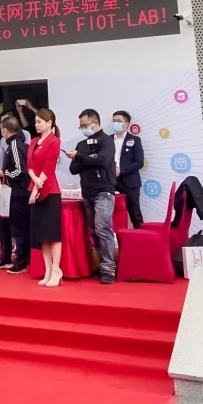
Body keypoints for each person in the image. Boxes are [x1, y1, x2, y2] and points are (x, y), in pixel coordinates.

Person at [66, 109, 117, 284]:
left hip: (104, 192)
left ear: (95, 123)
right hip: (87, 193)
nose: (83, 129)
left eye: (85, 125)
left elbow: (103, 161)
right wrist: (88, 158)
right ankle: (101, 265)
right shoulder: (81, 144)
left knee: (103, 229)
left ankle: (109, 269)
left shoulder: (106, 140)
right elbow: (73, 168)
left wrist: (81, 157)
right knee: (94, 231)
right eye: (80, 126)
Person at [0, 116, 31, 273]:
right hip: (7, 191)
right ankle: (5, 257)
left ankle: (21, 261)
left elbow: (20, 170)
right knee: (4, 225)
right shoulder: (11, 144)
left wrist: (3, 173)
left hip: (17, 193)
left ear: (5, 130)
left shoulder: (15, 144)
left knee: (18, 228)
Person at [28, 108, 63, 287]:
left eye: (39, 122)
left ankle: (56, 270)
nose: (36, 125)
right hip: (36, 188)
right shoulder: (34, 141)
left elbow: (49, 167)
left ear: (49, 123)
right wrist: (34, 180)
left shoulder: (54, 141)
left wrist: (38, 185)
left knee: (53, 234)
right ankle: (48, 270)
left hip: (50, 191)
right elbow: (29, 165)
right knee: (42, 235)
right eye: (35, 122)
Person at [112, 111, 144, 228]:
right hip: (111, 182)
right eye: (114, 121)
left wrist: (121, 171)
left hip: (130, 182)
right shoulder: (107, 140)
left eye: (119, 121)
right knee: (111, 214)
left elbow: (139, 162)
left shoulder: (135, 140)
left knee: (135, 215)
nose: (115, 123)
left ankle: (140, 237)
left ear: (126, 124)